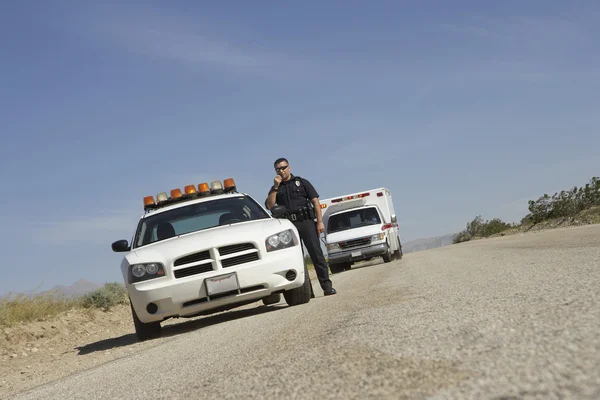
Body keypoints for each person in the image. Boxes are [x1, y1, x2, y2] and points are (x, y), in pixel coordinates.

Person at [265, 157, 337, 296]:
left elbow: (315, 201)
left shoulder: (302, 183)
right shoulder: (276, 188)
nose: (281, 171)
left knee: (317, 255)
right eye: (278, 169)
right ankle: (308, 292)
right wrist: (275, 187)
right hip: (289, 226)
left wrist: (320, 221)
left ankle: (327, 288)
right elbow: (269, 205)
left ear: (289, 167)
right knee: (296, 259)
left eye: (283, 168)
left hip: (306, 222)